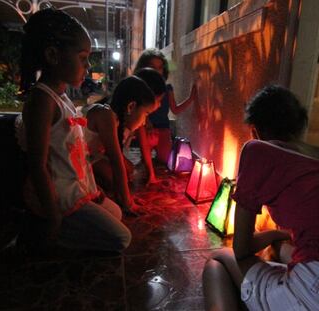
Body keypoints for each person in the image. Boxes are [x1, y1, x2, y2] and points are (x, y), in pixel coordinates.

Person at [202, 85, 319, 311]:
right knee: (280, 250)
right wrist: (276, 236)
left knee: (218, 259)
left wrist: (273, 234)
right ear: (300, 126)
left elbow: (242, 250)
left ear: (254, 131)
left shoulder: (257, 149)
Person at [16, 8, 131, 253]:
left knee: (117, 214)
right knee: (121, 239)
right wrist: (53, 215)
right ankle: (47, 233)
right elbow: (38, 165)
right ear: (52, 55)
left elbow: (74, 154)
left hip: (76, 190)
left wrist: (92, 190)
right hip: (58, 197)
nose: (88, 66)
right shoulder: (42, 100)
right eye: (82, 58)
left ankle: (72, 224)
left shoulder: (63, 97)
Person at [80, 75, 160, 215]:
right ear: (131, 106)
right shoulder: (105, 115)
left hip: (87, 159)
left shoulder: (115, 120)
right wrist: (128, 202)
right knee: (116, 180)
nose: (144, 122)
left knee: (127, 170)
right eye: (146, 114)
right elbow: (116, 162)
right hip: (70, 166)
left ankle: (104, 188)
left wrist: (128, 196)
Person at [133, 48, 198, 169]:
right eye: (152, 66)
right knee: (146, 161)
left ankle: (154, 157)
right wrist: (147, 123)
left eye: (160, 67)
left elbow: (175, 110)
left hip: (163, 129)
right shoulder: (141, 88)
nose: (157, 71)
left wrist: (190, 99)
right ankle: (147, 158)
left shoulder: (167, 89)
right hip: (146, 129)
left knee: (165, 160)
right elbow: (138, 110)